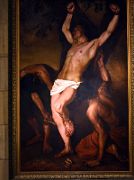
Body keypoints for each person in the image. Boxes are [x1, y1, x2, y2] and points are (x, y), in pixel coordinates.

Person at [50, 1, 120, 158]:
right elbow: (64, 29)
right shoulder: (72, 44)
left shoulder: (92, 45)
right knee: (55, 115)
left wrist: (116, 15)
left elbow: (108, 32)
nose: (74, 31)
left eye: (77, 29)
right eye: (74, 30)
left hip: (72, 82)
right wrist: (69, 13)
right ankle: (67, 147)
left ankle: (68, 121)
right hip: (58, 83)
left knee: (60, 107)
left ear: (83, 30)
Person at [84, 54, 119, 167]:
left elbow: (102, 132)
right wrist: (101, 65)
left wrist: (99, 159)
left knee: (82, 149)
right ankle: (111, 148)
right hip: (113, 125)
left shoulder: (92, 108)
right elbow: (106, 81)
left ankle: (109, 150)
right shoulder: (101, 94)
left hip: (114, 131)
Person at [20, 64, 56, 153]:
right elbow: (34, 96)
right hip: (30, 89)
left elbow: (42, 71)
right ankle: (38, 135)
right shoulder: (24, 81)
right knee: (28, 113)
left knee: (46, 114)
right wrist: (43, 112)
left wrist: (52, 90)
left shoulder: (42, 73)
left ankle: (46, 143)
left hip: (44, 85)